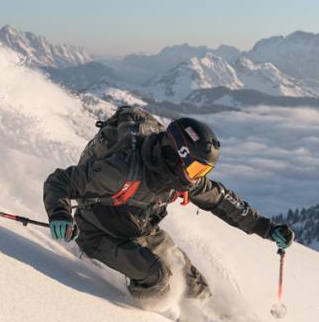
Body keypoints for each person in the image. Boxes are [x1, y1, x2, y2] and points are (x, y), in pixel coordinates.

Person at [43, 113, 294, 303]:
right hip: (97, 231)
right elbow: (60, 181)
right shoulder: (122, 171)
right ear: (176, 155)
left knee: (196, 286)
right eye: (196, 169)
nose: (197, 178)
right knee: (158, 277)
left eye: (203, 171)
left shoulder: (180, 179)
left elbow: (222, 200)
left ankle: (200, 317)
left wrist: (267, 228)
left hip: (141, 230)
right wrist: (60, 214)